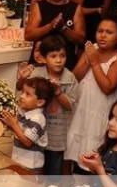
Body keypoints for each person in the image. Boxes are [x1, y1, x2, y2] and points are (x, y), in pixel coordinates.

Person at [65, 17, 117, 175]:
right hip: (83, 105)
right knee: (75, 144)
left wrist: (95, 62)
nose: (103, 35)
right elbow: (74, 78)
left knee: (94, 144)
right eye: (100, 31)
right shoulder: (92, 49)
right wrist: (88, 59)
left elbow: (107, 87)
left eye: (109, 32)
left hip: (101, 108)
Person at [17, 36, 78, 177]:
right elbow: (21, 88)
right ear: (43, 58)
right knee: (35, 168)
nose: (59, 60)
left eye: (62, 56)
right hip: (35, 131)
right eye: (53, 56)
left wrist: (58, 93)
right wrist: (22, 78)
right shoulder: (37, 73)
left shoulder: (70, 78)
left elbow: (70, 105)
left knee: (53, 172)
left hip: (57, 134)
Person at [24, 0, 86, 70]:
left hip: (65, 65)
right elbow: (28, 35)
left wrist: (63, 28)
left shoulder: (75, 8)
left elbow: (81, 39)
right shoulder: (40, 6)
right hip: (40, 64)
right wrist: (50, 26)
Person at [0, 77, 55, 173]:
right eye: (22, 92)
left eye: (28, 94)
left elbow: (27, 141)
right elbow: (20, 132)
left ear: (40, 102)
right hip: (20, 161)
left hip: (30, 166)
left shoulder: (37, 119)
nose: (22, 96)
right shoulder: (25, 113)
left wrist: (14, 125)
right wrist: (10, 124)